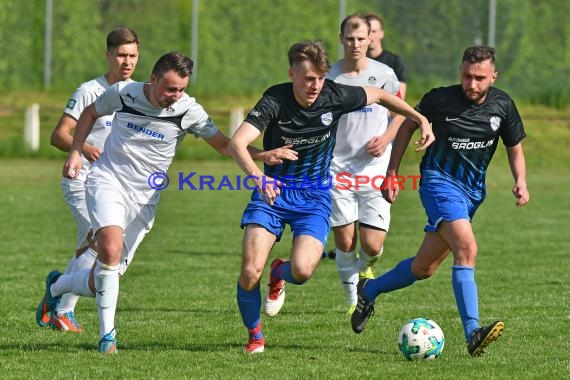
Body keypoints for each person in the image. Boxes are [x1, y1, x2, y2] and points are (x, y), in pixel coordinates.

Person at [36, 51, 294, 354]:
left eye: (181, 89)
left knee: (101, 282)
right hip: (108, 181)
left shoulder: (188, 111)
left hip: (144, 199)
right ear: (153, 79)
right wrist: (76, 151)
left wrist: (262, 156)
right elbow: (90, 113)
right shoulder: (123, 93)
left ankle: (57, 286)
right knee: (110, 249)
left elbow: (225, 145)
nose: (175, 96)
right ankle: (108, 339)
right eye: (170, 89)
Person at [230, 40, 433, 354]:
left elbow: (379, 95)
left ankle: (278, 273)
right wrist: (259, 171)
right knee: (249, 271)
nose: (315, 86)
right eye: (308, 78)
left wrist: (420, 119)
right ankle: (255, 336)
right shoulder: (275, 99)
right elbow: (238, 143)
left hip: (313, 198)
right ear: (292, 74)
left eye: (320, 78)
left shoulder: (334, 94)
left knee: (302, 271)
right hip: (272, 192)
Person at [350, 46, 529, 357]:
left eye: (479, 78)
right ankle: (472, 331)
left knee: (424, 267)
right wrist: (392, 172)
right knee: (467, 248)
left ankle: (370, 290)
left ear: (493, 76)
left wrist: (521, 181)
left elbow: (514, 146)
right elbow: (406, 124)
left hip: (471, 193)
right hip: (438, 184)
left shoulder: (503, 105)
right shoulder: (439, 99)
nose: (471, 84)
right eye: (466, 76)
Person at [39, 27, 140, 333]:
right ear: (108, 55)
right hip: (81, 179)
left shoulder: (139, 93)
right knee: (98, 242)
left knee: (91, 247)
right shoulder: (89, 91)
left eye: (133, 55)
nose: (127, 61)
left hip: (115, 185)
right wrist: (85, 147)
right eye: (121, 55)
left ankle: (58, 296)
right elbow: (59, 134)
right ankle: (62, 310)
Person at [326, 14, 405, 315]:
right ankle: (351, 300)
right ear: (341, 38)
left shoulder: (384, 73)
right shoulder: (329, 76)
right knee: (345, 241)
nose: (356, 44)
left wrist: (386, 137)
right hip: (338, 168)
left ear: (371, 38)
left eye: (361, 38)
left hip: (375, 169)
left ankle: (367, 270)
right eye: (350, 38)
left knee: (371, 245)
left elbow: (400, 112)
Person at [365, 13, 407, 100]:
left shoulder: (394, 61)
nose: (370, 35)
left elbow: (400, 99)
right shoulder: (355, 62)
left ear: (382, 33)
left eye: (374, 31)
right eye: (367, 31)